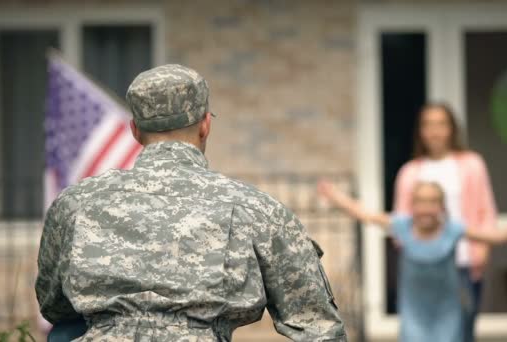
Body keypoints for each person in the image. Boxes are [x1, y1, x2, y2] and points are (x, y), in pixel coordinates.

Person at [35, 64, 346, 341]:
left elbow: (54, 305)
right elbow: (319, 327)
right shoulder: (257, 208)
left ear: (134, 130)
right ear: (205, 124)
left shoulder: (76, 203)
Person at [317, 180, 507, 342]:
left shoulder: (452, 229)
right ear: (413, 205)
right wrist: (335, 196)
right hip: (414, 317)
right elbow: (365, 214)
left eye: (432, 201)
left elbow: (497, 237)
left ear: (441, 206)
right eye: (420, 201)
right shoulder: (402, 226)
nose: (426, 207)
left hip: (447, 316)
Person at [393, 102, 496, 342]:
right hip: (424, 267)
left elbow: (486, 210)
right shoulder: (410, 172)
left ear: (452, 129)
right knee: (420, 331)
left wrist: (483, 250)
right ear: (420, 131)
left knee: (462, 331)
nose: (435, 131)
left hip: (463, 264)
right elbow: (401, 218)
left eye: (441, 124)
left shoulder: (472, 164)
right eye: (428, 124)